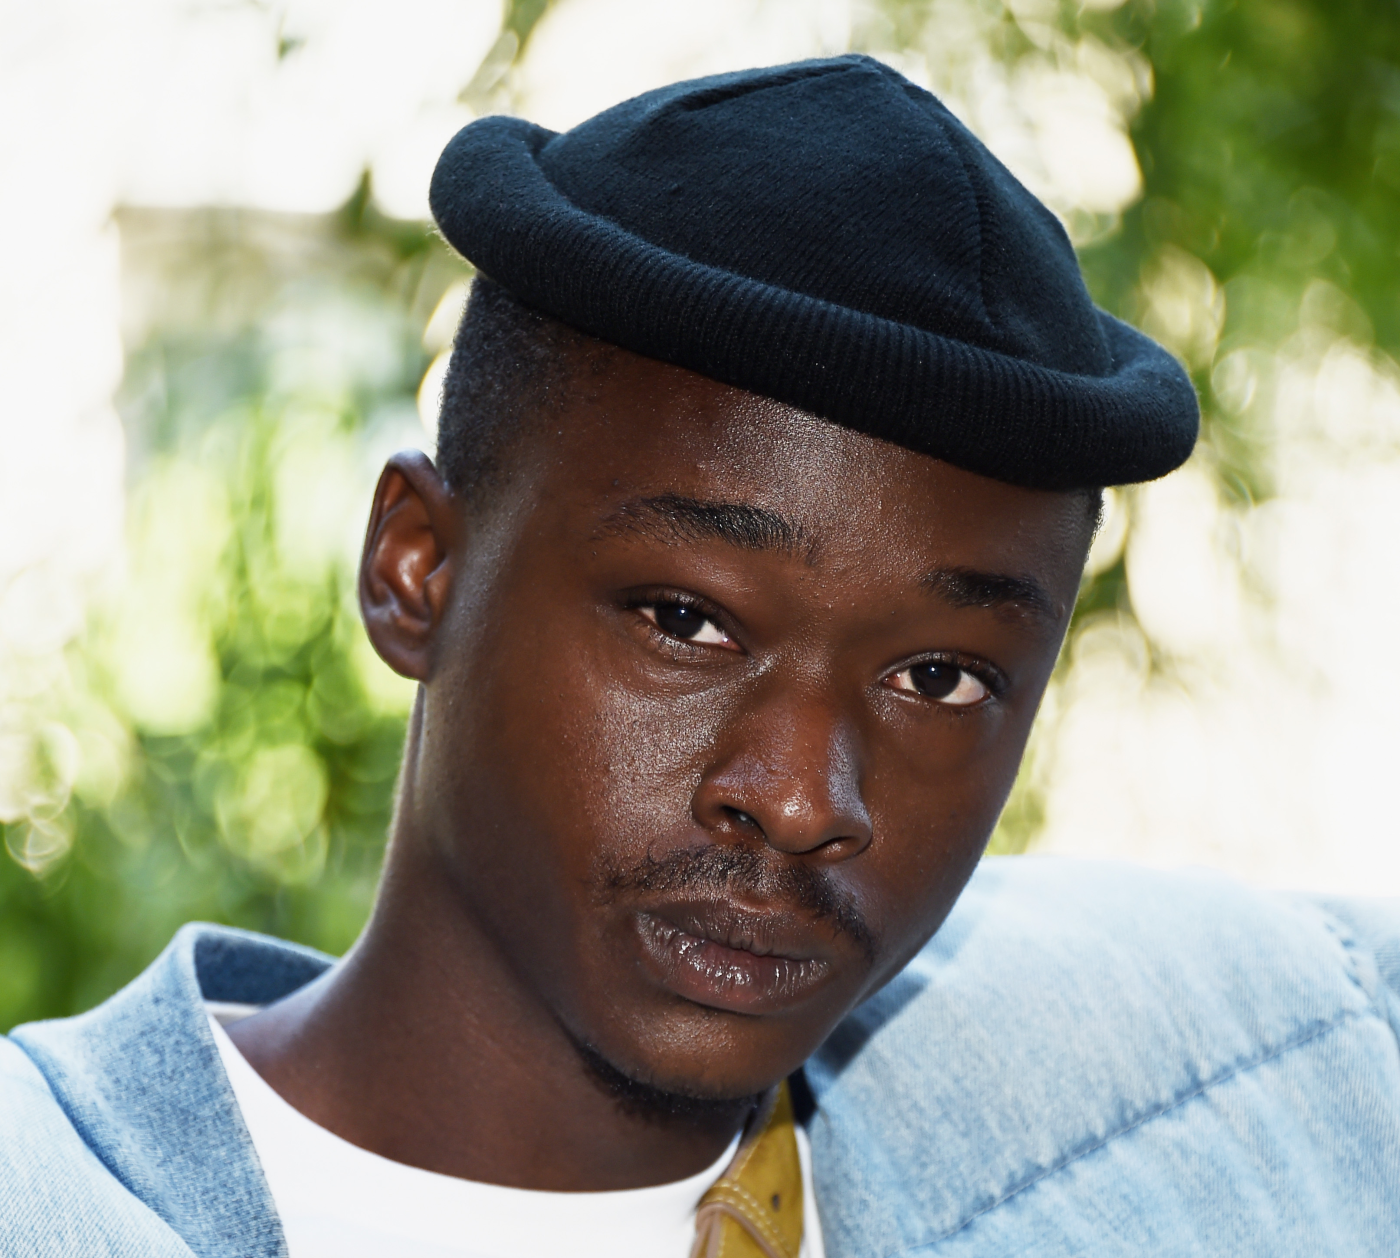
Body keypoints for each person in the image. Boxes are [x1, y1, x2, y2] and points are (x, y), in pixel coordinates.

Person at [3, 54, 1397, 1258]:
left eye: (939, 678)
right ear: (416, 566)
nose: (800, 796)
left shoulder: (1251, 1076)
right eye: (686, 619)